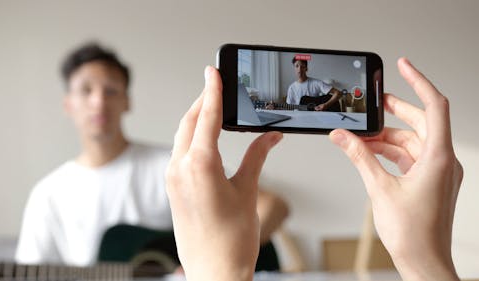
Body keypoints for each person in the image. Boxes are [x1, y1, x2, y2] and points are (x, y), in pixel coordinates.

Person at [165, 58, 463, 281]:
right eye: (297, 67)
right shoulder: (294, 88)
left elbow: (334, 93)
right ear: (295, 70)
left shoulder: (316, 83)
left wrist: (214, 271)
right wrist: (429, 265)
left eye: (302, 67)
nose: (300, 71)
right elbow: (292, 111)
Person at [15, 42, 289, 267]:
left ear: (127, 101)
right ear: (68, 104)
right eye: (86, 90)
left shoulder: (170, 165)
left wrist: (209, 264)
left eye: (110, 90)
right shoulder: (48, 194)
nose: (98, 101)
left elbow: (273, 206)